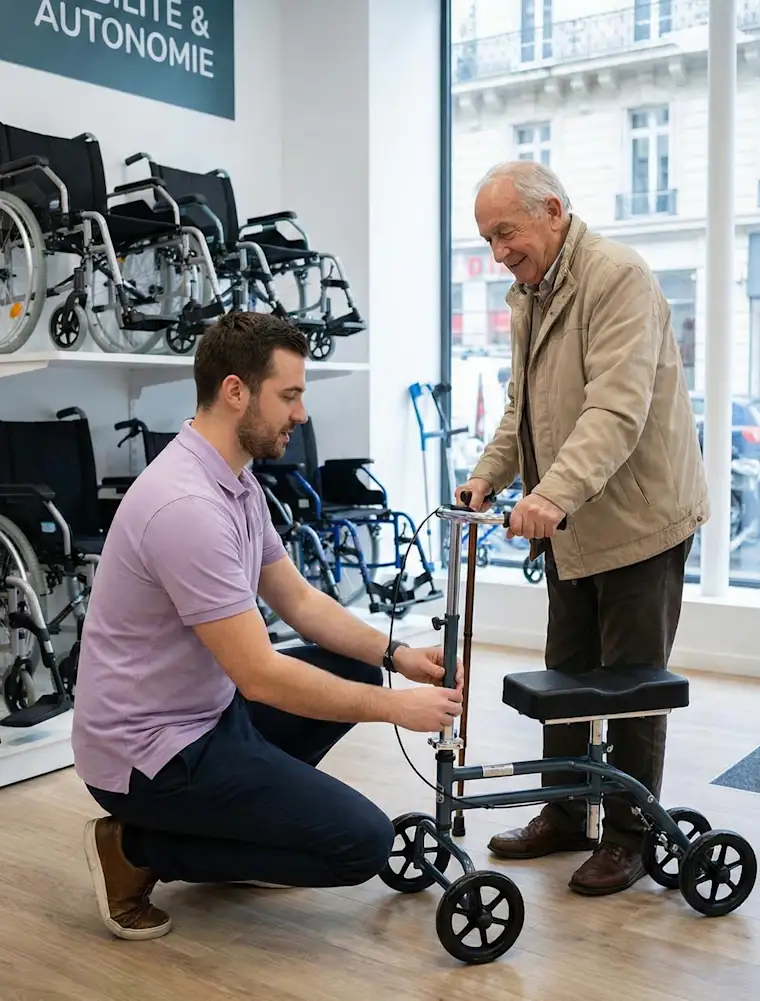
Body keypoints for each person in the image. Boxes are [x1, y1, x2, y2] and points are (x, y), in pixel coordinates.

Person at [72, 311, 464, 941]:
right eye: (289, 395)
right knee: (362, 846)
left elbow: (299, 602)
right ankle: (136, 847)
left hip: (205, 718)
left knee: (355, 663)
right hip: (149, 758)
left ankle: (230, 829)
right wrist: (398, 710)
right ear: (235, 392)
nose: (300, 415)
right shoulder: (186, 507)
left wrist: (398, 657)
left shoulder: (235, 481)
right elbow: (260, 676)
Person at [456, 160, 708, 897]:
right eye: (487, 238)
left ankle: (629, 835)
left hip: (638, 519)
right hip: (571, 523)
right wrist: (487, 477)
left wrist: (553, 493)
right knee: (566, 675)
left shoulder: (617, 278)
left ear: (554, 213)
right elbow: (522, 409)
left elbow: (615, 409)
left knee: (631, 686)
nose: (498, 250)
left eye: (506, 232)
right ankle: (567, 810)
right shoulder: (531, 292)